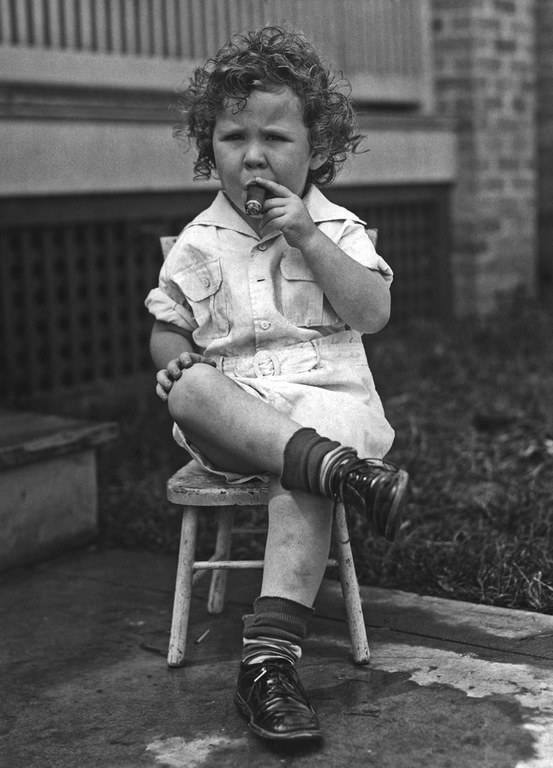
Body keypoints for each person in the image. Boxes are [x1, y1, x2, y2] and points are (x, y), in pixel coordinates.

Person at [145, 25, 409, 744]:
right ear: (211, 149)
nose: (253, 155)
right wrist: (171, 357)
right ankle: (346, 475)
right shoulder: (202, 240)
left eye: (274, 137)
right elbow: (169, 322)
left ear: (317, 149)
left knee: (302, 479)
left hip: (324, 411)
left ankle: (266, 667)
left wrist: (311, 240)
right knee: (188, 389)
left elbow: (372, 312)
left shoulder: (338, 229)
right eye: (233, 137)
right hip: (237, 421)